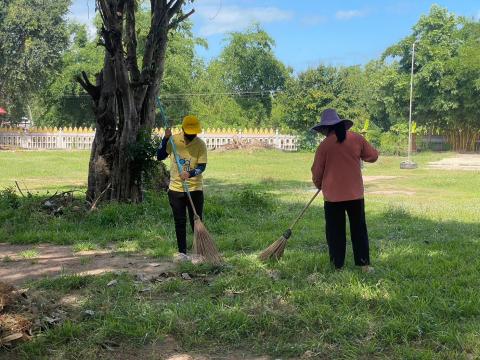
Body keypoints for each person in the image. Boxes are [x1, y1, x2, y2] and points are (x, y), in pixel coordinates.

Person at [311, 109, 378, 272]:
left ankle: (337, 266)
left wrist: (319, 184)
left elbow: (316, 172)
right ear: (340, 124)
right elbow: (373, 156)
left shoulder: (324, 146)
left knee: (335, 232)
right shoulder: (357, 138)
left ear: (326, 128)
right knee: (359, 229)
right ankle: (364, 265)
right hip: (355, 195)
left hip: (332, 198)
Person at [157, 115, 208, 261]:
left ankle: (199, 253)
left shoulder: (200, 144)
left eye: (194, 133)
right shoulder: (173, 140)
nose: (192, 135)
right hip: (176, 189)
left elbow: (202, 166)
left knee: (196, 221)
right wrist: (165, 139)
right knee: (179, 221)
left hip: (195, 189)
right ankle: (182, 253)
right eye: (189, 132)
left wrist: (190, 173)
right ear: (183, 130)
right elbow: (160, 156)